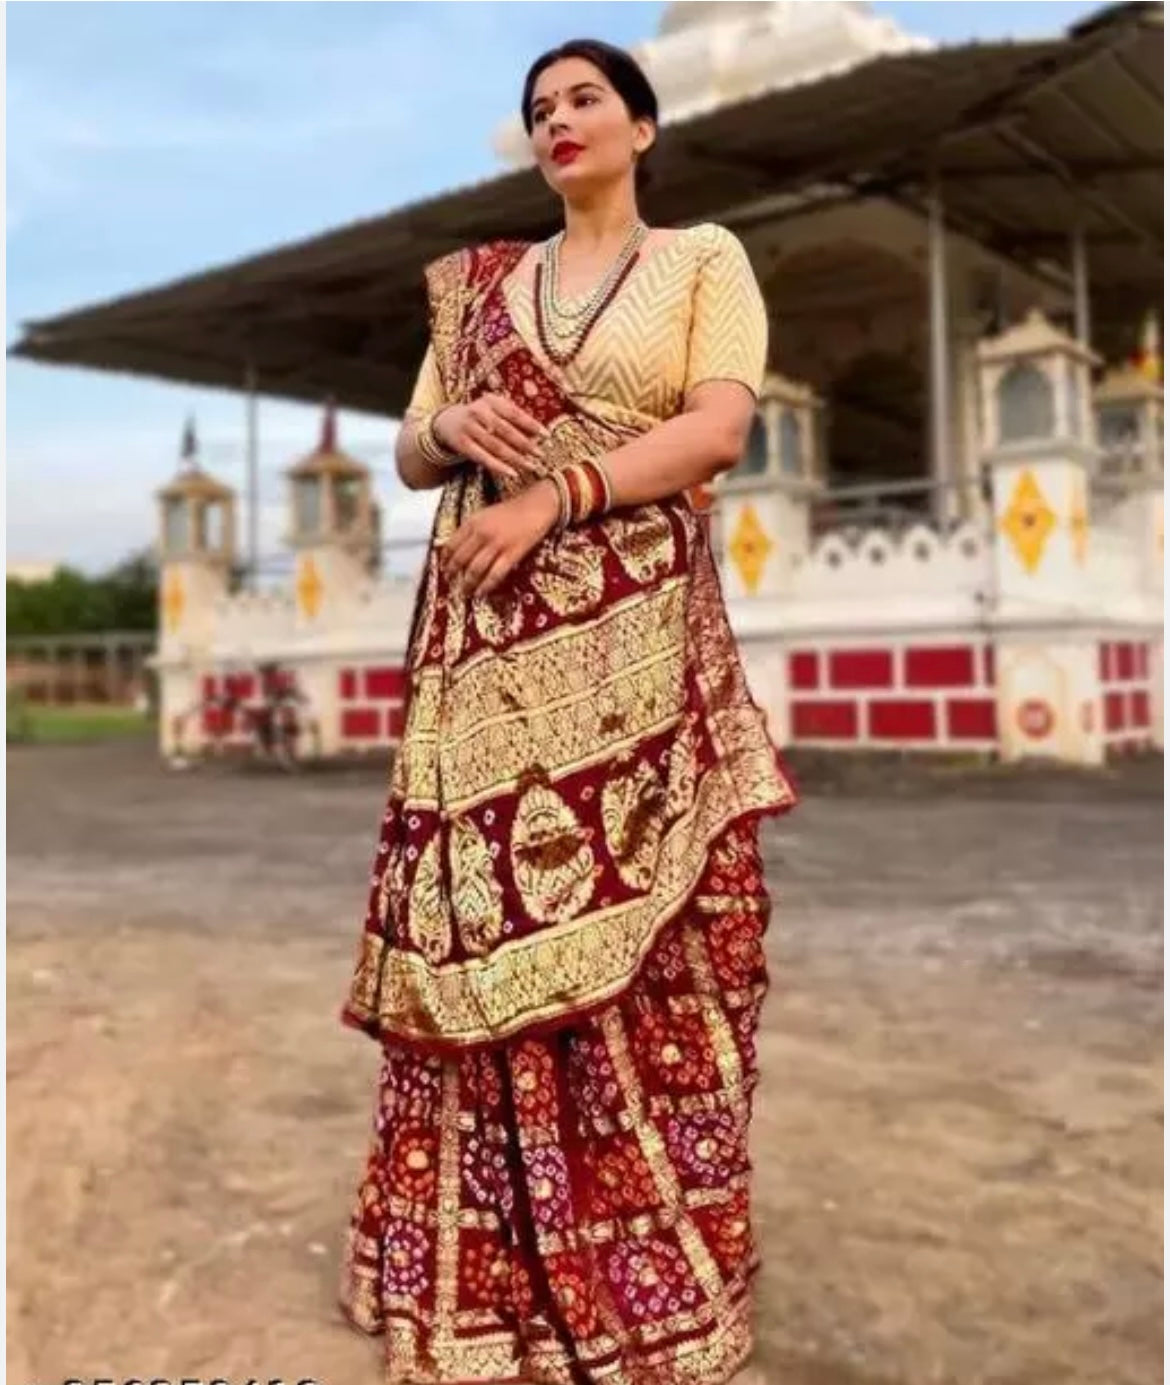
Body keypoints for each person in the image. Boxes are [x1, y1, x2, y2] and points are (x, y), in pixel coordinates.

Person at [338, 36, 797, 1385]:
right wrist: (458, 426)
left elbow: (714, 431)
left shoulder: (700, 261)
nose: (557, 121)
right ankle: (481, 1289)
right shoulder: (482, 287)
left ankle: (646, 1284)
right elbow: (413, 447)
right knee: (484, 938)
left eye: (584, 99)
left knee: (660, 946)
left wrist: (556, 493)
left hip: (637, 664)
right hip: (485, 664)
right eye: (538, 109)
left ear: (641, 128)